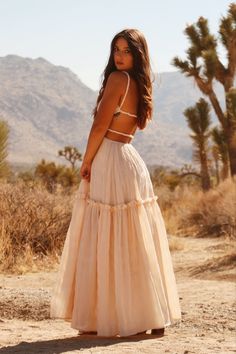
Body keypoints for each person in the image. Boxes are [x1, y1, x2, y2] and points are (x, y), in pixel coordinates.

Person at [50, 28, 181, 337]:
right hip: (130, 160)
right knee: (133, 239)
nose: (120, 56)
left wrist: (86, 161)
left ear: (138, 55)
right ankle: (148, 315)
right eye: (116, 50)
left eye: (127, 51)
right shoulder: (138, 83)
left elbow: (99, 126)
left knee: (103, 237)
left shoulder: (117, 80)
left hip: (109, 157)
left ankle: (102, 318)